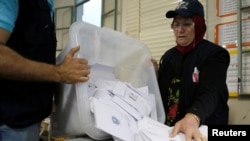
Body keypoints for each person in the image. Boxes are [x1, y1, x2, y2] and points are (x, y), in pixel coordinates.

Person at [0, 0, 90, 141]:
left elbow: (30, 53)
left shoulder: (45, 5)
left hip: (27, 118)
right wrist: (59, 72)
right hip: (11, 122)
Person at [153, 0, 230, 141]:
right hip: (172, 130)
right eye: (176, 24)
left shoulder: (215, 54)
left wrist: (193, 116)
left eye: (186, 24)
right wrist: (154, 74)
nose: (179, 29)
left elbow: (210, 92)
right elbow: (164, 92)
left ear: (199, 26)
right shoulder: (169, 56)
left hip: (202, 127)